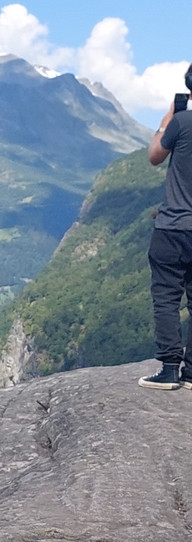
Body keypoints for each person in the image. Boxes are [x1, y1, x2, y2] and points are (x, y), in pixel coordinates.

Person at [141, 64, 192, 389]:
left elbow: (155, 156)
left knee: (166, 296)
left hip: (174, 226)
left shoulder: (181, 122)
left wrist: (166, 121)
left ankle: (170, 368)